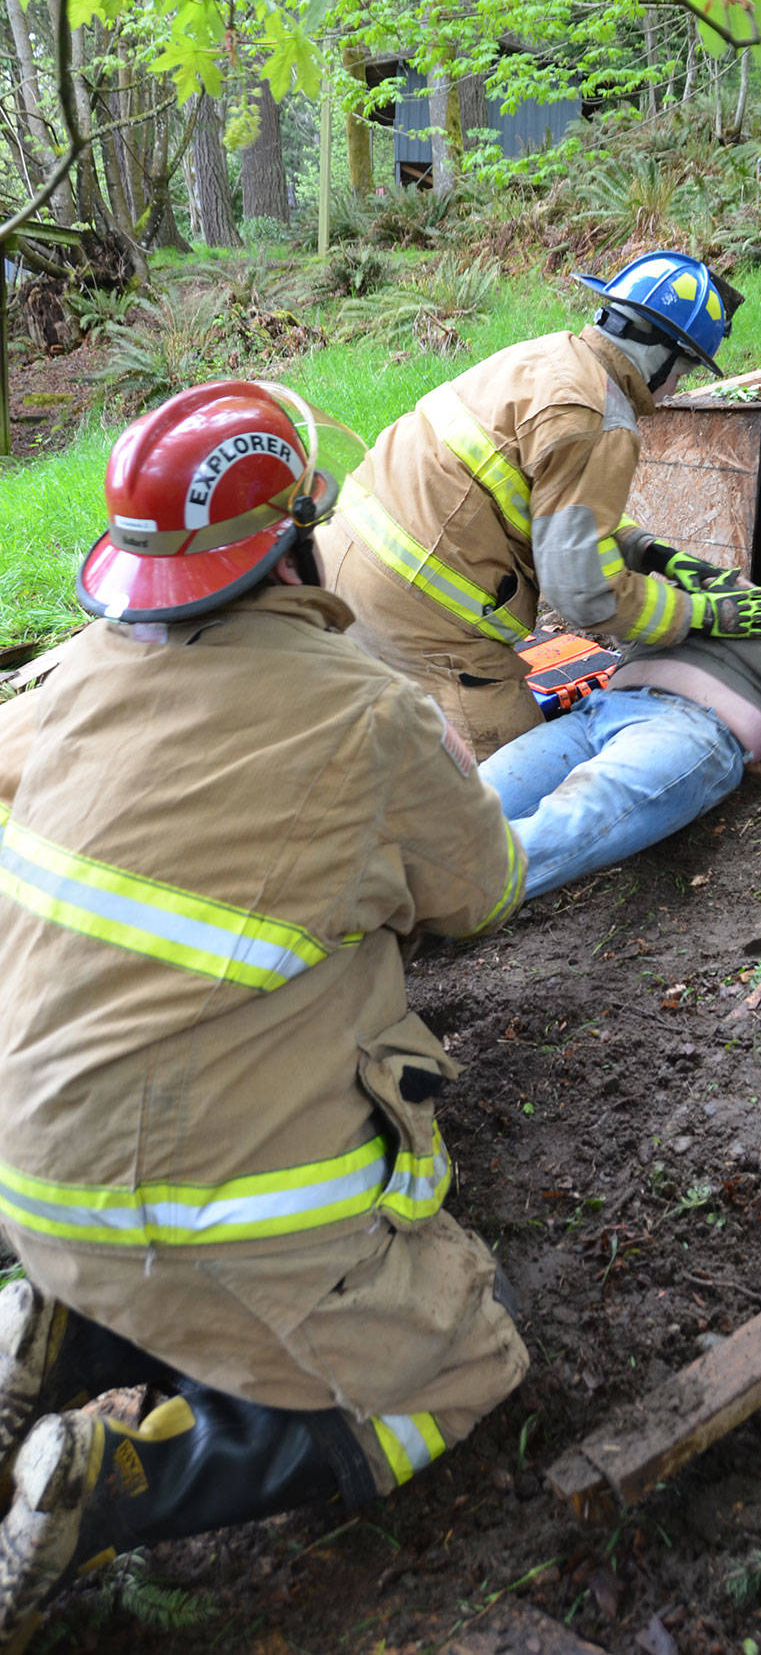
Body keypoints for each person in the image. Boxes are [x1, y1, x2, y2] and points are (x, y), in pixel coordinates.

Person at [0, 381, 528, 1646]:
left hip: (28, 1174)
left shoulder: (66, 674)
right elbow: (485, 891)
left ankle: (52, 1323)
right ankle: (121, 1473)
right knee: (461, 1367)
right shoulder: (367, 711)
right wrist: (441, 759)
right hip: (184, 1204)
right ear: (302, 527)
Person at [314, 251, 761, 760]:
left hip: (339, 563)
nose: (675, 390)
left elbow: (554, 503)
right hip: (418, 615)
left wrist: (648, 552)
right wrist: (697, 616)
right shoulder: (600, 418)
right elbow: (585, 594)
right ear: (660, 356)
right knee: (517, 777)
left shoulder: (548, 358)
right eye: (684, 371)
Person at [480, 601, 761, 899]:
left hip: (690, 723)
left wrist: (711, 605)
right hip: (598, 711)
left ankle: (430, 907)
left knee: (568, 821)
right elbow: (622, 616)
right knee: (467, 799)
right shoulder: (710, 602)